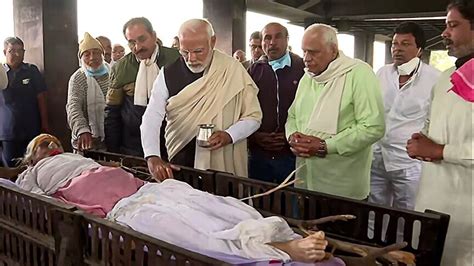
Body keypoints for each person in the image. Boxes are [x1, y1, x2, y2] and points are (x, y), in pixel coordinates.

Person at [2, 133, 330, 264]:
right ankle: (277, 251)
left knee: (215, 205)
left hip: (147, 189)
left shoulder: (80, 157)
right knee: (190, 233)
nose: (50, 146)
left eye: (52, 142)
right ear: (32, 156)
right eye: (43, 145)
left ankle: (281, 235)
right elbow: (18, 192)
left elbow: (113, 166)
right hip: (125, 209)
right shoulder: (33, 175)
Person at [140, 19, 262, 181]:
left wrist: (229, 135)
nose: (191, 59)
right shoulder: (167, 74)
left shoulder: (233, 70)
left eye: (198, 51)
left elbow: (253, 117)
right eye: (184, 52)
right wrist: (152, 156)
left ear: (213, 41)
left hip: (222, 168)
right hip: (181, 160)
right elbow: (152, 116)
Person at [406, 0, 473, 264]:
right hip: (433, 199)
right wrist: (419, 140)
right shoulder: (446, 77)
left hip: (467, 208)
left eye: (453, 25)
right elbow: (430, 123)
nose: (444, 33)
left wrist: (440, 151)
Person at [286, 24, 385, 200]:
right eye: (304, 52)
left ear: (333, 50)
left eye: (313, 52)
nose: (306, 59)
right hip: (306, 181)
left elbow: (373, 127)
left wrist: (325, 146)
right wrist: (293, 137)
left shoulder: (358, 73)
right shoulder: (308, 77)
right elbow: (293, 115)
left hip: (342, 187)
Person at [369, 22, 441, 210]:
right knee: (374, 209)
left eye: (406, 44)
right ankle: (373, 241)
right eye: (395, 44)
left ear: (419, 49)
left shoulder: (435, 79)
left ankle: (405, 241)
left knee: (408, 212)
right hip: (377, 155)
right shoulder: (382, 73)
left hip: (408, 161)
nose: (398, 49)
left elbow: (436, 118)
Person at [105, 17, 180, 157]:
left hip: (173, 142)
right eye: (132, 42)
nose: (138, 47)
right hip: (133, 145)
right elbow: (112, 113)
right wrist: (113, 153)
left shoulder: (176, 60)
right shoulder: (121, 69)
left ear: (154, 36)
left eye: (142, 39)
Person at [247, 22, 305, 184]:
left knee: (290, 202)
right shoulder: (252, 71)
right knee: (259, 202)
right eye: (267, 38)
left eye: (278, 37)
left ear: (287, 40)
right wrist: (254, 137)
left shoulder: (303, 69)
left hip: (291, 153)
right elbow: (242, 110)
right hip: (259, 154)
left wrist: (291, 136)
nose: (272, 42)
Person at [0, 37, 49, 167]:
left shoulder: (31, 70)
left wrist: (45, 123)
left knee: (33, 167)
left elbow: (41, 97)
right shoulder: (1, 73)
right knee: (11, 170)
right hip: (8, 132)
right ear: (5, 52)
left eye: (20, 50)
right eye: (12, 51)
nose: (16, 54)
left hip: (31, 129)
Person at [66, 32, 110, 152]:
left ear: (102, 54)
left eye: (96, 53)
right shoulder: (78, 78)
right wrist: (83, 130)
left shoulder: (114, 73)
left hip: (112, 137)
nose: (92, 57)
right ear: (81, 58)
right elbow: (73, 107)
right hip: (87, 140)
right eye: (87, 54)